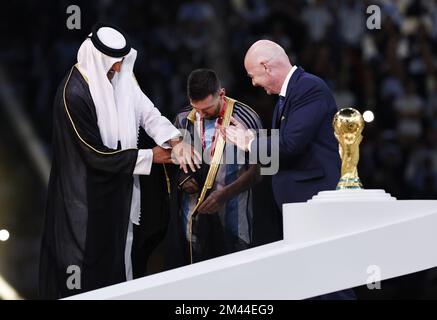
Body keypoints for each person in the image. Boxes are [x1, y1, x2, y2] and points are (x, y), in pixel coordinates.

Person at [39, 23, 199, 299]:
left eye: (120, 63)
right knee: (90, 268)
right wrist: (152, 156)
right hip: (87, 199)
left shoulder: (122, 77)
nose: (117, 69)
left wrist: (175, 140)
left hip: (123, 187)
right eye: (113, 64)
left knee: (125, 256)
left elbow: (147, 113)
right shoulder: (73, 94)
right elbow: (93, 153)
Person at [221, 40, 356, 299]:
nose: (253, 84)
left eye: (253, 76)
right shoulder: (293, 92)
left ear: (266, 66)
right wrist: (251, 136)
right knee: (313, 282)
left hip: (316, 204)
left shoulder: (309, 88)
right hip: (302, 206)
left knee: (329, 283)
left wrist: (248, 141)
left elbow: (291, 145)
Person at [170, 69, 262, 265]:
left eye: (207, 109)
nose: (201, 115)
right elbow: (173, 165)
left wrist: (224, 194)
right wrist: (183, 179)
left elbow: (259, 172)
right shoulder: (183, 118)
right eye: (197, 108)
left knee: (235, 277)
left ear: (221, 93)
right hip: (193, 218)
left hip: (235, 218)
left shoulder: (246, 116)